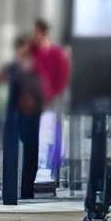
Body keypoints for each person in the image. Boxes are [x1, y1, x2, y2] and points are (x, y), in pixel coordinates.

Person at [0, 33, 47, 205]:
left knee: (31, 150)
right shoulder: (13, 68)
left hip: (31, 113)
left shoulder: (33, 68)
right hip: (16, 113)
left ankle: (27, 190)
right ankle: (13, 192)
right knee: (15, 150)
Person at [27, 20, 73, 192]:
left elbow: (62, 76)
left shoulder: (56, 53)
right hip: (33, 101)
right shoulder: (33, 52)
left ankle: (45, 169)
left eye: (36, 32)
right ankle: (35, 172)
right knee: (35, 136)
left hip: (50, 101)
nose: (34, 36)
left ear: (43, 33)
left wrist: (53, 94)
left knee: (47, 134)